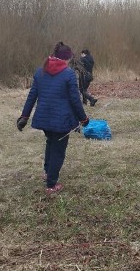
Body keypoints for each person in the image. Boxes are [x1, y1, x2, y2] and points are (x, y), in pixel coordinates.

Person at [17, 42, 89, 195]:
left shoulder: (40, 72)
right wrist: (83, 119)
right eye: (69, 59)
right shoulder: (69, 74)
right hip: (61, 121)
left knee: (50, 142)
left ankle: (47, 172)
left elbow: (32, 96)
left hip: (44, 119)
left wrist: (24, 116)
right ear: (66, 58)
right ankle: (51, 184)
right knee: (58, 151)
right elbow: (75, 100)